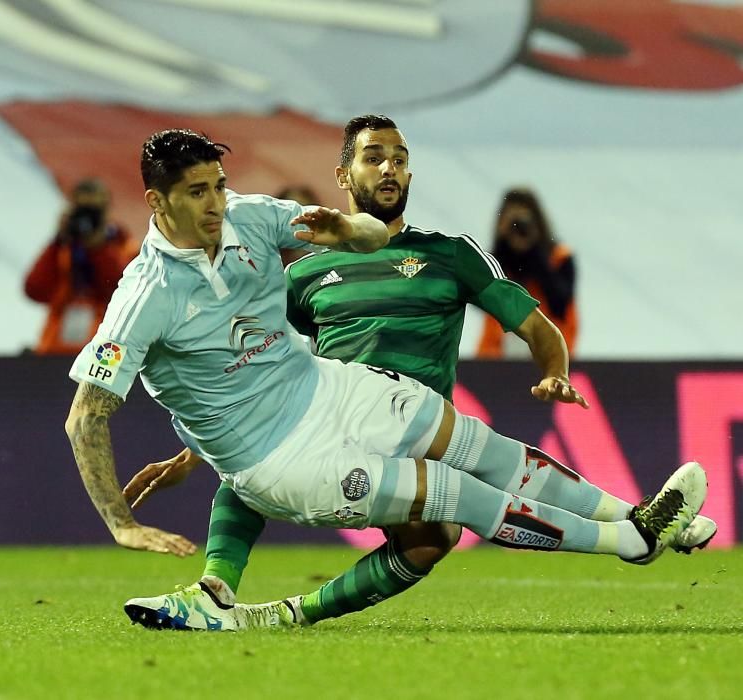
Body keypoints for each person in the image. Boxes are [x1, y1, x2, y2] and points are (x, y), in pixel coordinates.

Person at [66, 126, 709, 636]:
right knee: (453, 499)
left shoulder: (249, 216)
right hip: (282, 457)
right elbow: (85, 416)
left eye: (218, 185)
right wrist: (120, 524)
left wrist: (351, 229)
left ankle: (644, 521)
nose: (215, 204)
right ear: (156, 201)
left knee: (481, 448)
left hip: (329, 387)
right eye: (197, 193)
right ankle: (631, 540)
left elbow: (356, 231)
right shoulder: (142, 297)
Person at [25, 178, 137, 354]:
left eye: (94, 212)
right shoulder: (63, 247)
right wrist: (57, 240)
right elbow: (35, 290)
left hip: (106, 351)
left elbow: (120, 289)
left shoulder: (125, 245)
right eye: (81, 211)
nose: (87, 218)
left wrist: (98, 247)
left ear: (107, 210)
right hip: (56, 350)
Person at [477, 188, 577, 358]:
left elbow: (561, 303)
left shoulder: (559, 257)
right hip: (496, 354)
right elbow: (479, 296)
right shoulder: (495, 260)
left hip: (550, 354)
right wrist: (503, 246)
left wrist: (534, 251)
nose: (519, 229)